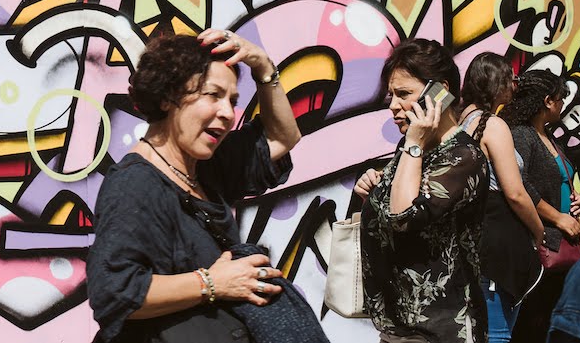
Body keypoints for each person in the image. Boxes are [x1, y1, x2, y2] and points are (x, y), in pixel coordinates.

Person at [87, 29, 319, 343]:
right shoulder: (134, 184)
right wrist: (211, 283)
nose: (227, 113)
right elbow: (114, 293)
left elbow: (282, 138)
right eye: (212, 94)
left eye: (233, 101)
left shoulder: (207, 167)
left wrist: (264, 67)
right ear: (169, 97)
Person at [355, 38, 490, 343]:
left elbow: (402, 216)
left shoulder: (462, 156)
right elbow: (392, 209)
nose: (392, 105)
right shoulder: (411, 148)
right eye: (391, 94)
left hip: (442, 329)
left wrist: (414, 144)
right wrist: (372, 191)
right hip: (400, 327)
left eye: (403, 94)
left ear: (439, 92)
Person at [458, 53, 544, 342]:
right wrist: (538, 230)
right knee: (497, 334)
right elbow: (516, 193)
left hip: (469, 241)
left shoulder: (458, 125)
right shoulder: (493, 126)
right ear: (497, 82)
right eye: (511, 78)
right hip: (497, 246)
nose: (516, 85)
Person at [501, 69, 580, 343]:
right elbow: (519, 184)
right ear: (548, 101)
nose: (563, 104)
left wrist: (576, 200)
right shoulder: (522, 136)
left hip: (561, 248)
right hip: (538, 248)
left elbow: (559, 180)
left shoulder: (549, 138)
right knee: (532, 325)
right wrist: (558, 219)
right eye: (561, 98)